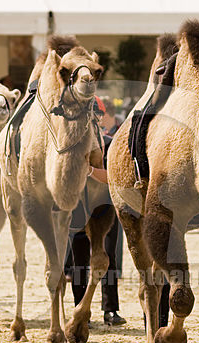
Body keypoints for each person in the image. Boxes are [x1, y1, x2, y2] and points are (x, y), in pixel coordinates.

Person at [66, 97, 126, 326]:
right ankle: (81, 309)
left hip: (105, 209)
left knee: (108, 259)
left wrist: (89, 170)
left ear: (100, 118)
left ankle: (110, 310)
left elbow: (115, 177)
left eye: (95, 115)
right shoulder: (74, 148)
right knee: (79, 262)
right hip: (80, 208)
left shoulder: (111, 144)